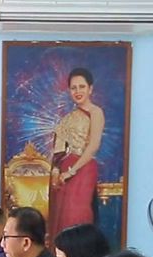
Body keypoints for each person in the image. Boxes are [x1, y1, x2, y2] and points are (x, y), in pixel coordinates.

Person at [48, 67, 104, 236]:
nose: (78, 91)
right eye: (73, 88)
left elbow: (93, 146)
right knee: (62, 216)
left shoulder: (96, 112)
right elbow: (59, 148)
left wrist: (72, 171)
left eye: (82, 87)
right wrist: (56, 172)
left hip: (84, 168)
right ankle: (61, 252)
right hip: (64, 171)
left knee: (77, 215)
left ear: (90, 89)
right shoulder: (68, 118)